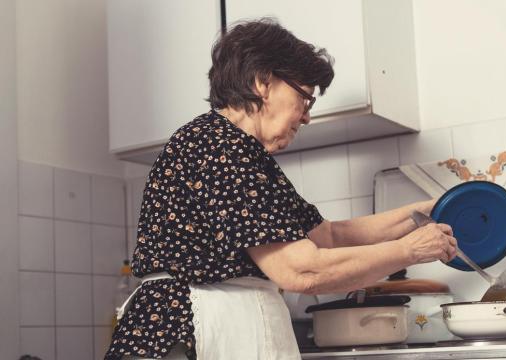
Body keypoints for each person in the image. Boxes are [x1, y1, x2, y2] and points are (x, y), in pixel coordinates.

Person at [105, 19, 457, 360]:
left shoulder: (246, 155)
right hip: (189, 329)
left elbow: (328, 236)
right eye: (305, 98)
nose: (306, 116)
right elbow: (300, 270)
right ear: (263, 82)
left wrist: (422, 215)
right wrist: (410, 251)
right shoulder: (219, 147)